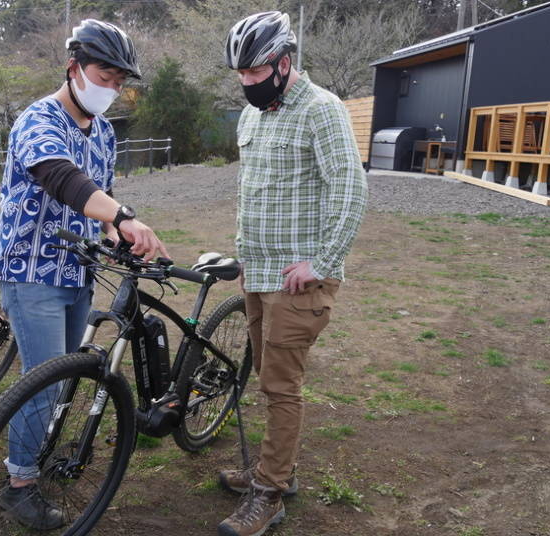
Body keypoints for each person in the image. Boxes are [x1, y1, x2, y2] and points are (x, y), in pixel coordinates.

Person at [0, 19, 168, 530]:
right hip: (30, 271)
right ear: (73, 68)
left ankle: (37, 453)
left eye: (119, 81)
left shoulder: (105, 131)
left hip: (77, 270)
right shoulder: (37, 120)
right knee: (43, 380)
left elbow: (96, 200)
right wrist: (124, 216)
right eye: (103, 75)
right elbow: (63, 179)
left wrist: (119, 235)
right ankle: (20, 484)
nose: (111, 88)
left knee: (66, 374)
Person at [217, 11, 368, 536]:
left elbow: (351, 190)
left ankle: (270, 494)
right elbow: (255, 192)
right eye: (241, 74)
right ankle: (275, 468)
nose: (247, 83)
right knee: (267, 376)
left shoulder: (322, 110)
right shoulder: (252, 115)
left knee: (281, 386)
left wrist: (322, 264)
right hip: (259, 275)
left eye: (256, 73)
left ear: (284, 63)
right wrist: (246, 259)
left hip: (300, 281)